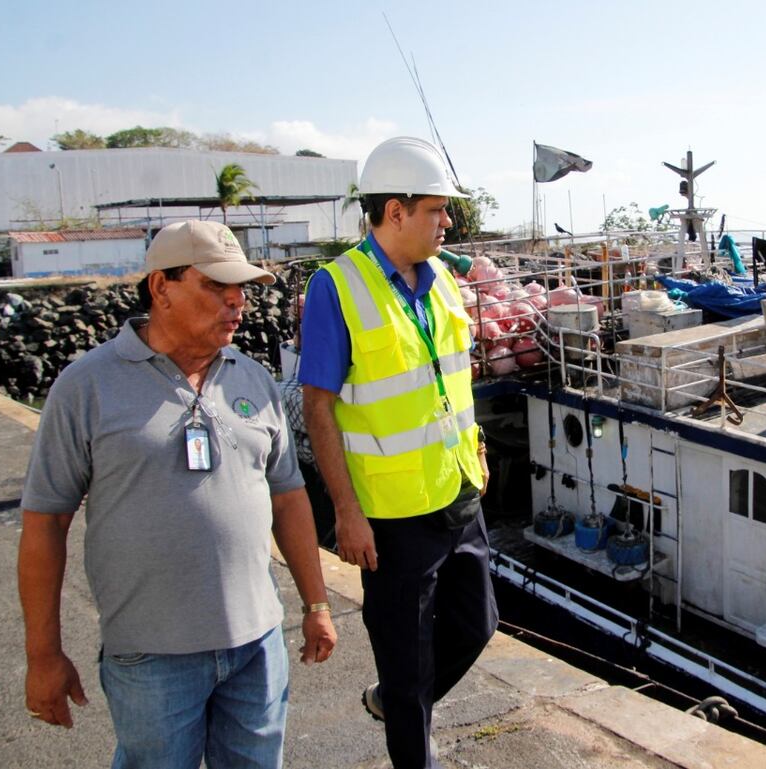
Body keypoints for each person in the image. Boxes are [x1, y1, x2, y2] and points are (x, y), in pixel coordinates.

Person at [18, 219, 337, 768]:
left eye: (242, 288)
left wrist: (316, 605)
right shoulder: (86, 387)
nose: (237, 301)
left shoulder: (253, 379)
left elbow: (288, 499)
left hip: (258, 646)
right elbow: (45, 523)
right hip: (151, 658)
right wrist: (43, 655)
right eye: (216, 286)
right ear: (160, 287)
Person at [300, 136, 497, 769]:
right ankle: (408, 723)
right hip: (392, 514)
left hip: (460, 488)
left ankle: (397, 699)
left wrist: (480, 445)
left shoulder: (439, 279)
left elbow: (450, 379)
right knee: (406, 657)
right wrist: (347, 512)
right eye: (437, 210)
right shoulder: (338, 288)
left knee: (478, 623)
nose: (447, 222)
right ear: (395, 212)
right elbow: (319, 406)